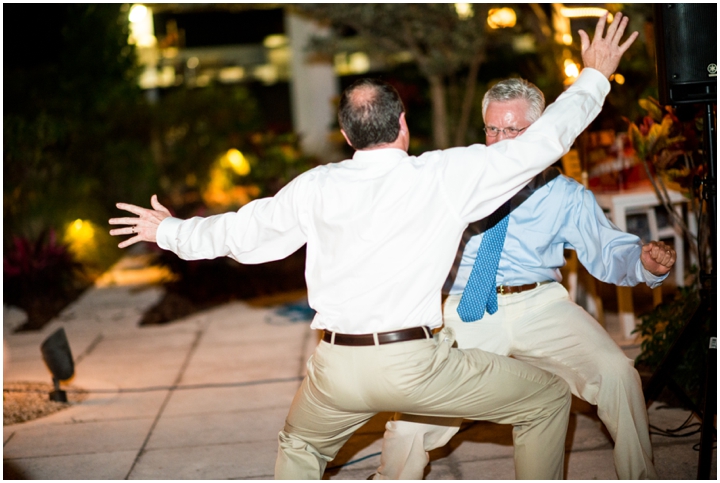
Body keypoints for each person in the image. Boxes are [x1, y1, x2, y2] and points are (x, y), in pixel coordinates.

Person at [109, 14, 638, 479]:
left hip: (334, 368)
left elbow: (242, 236)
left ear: (346, 135)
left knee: (300, 444)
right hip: (413, 365)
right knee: (545, 398)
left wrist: (169, 231)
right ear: (404, 126)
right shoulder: (442, 176)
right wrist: (593, 76)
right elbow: (544, 143)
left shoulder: (316, 186)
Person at [373, 78, 676, 480]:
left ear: (542, 132)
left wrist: (643, 261)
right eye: (493, 129)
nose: (501, 141)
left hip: (540, 304)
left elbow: (606, 249)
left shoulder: (565, 194)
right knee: (416, 415)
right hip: (468, 305)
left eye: (513, 130)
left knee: (619, 375)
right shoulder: (462, 178)